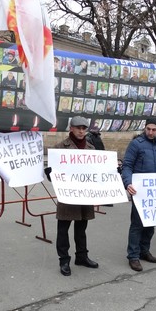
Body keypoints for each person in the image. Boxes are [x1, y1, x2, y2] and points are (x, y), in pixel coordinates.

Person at [121, 118, 156, 272]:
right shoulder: (137, 144)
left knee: (150, 224)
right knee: (137, 225)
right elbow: (127, 165)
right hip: (140, 192)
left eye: (154, 129)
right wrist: (128, 183)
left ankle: (144, 251)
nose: (150, 132)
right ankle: (133, 256)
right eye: (148, 129)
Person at [53, 116, 99, 276]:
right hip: (68, 195)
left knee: (82, 228)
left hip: (85, 194)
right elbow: (54, 172)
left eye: (84, 128)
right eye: (78, 128)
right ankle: (64, 260)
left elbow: (96, 171)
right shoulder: (60, 148)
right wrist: (50, 173)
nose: (81, 131)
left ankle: (82, 256)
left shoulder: (91, 149)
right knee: (63, 229)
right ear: (71, 128)